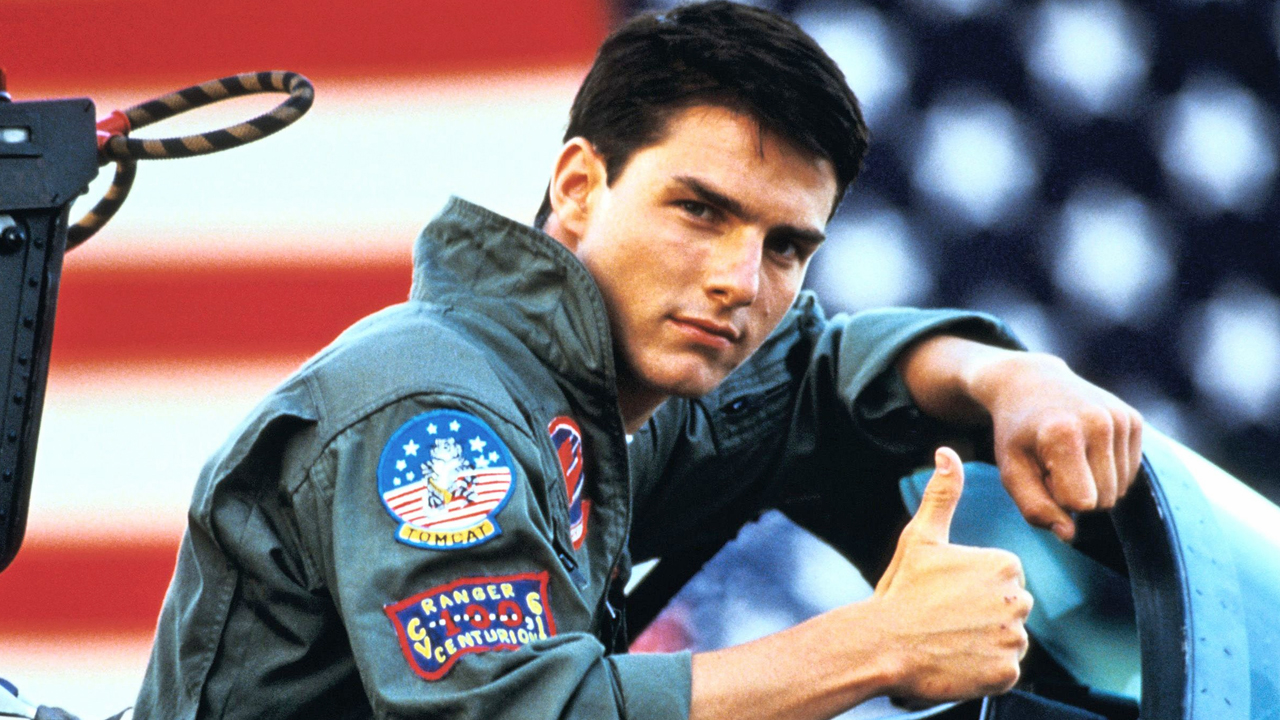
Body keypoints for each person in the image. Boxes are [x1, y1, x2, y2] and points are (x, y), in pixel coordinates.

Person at [131, 3, 1142, 719]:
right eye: (699, 210)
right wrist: (877, 644)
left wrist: (1011, 379)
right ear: (579, 187)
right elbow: (511, 712)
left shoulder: (605, 394)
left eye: (785, 247)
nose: (739, 281)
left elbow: (814, 380)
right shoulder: (437, 410)